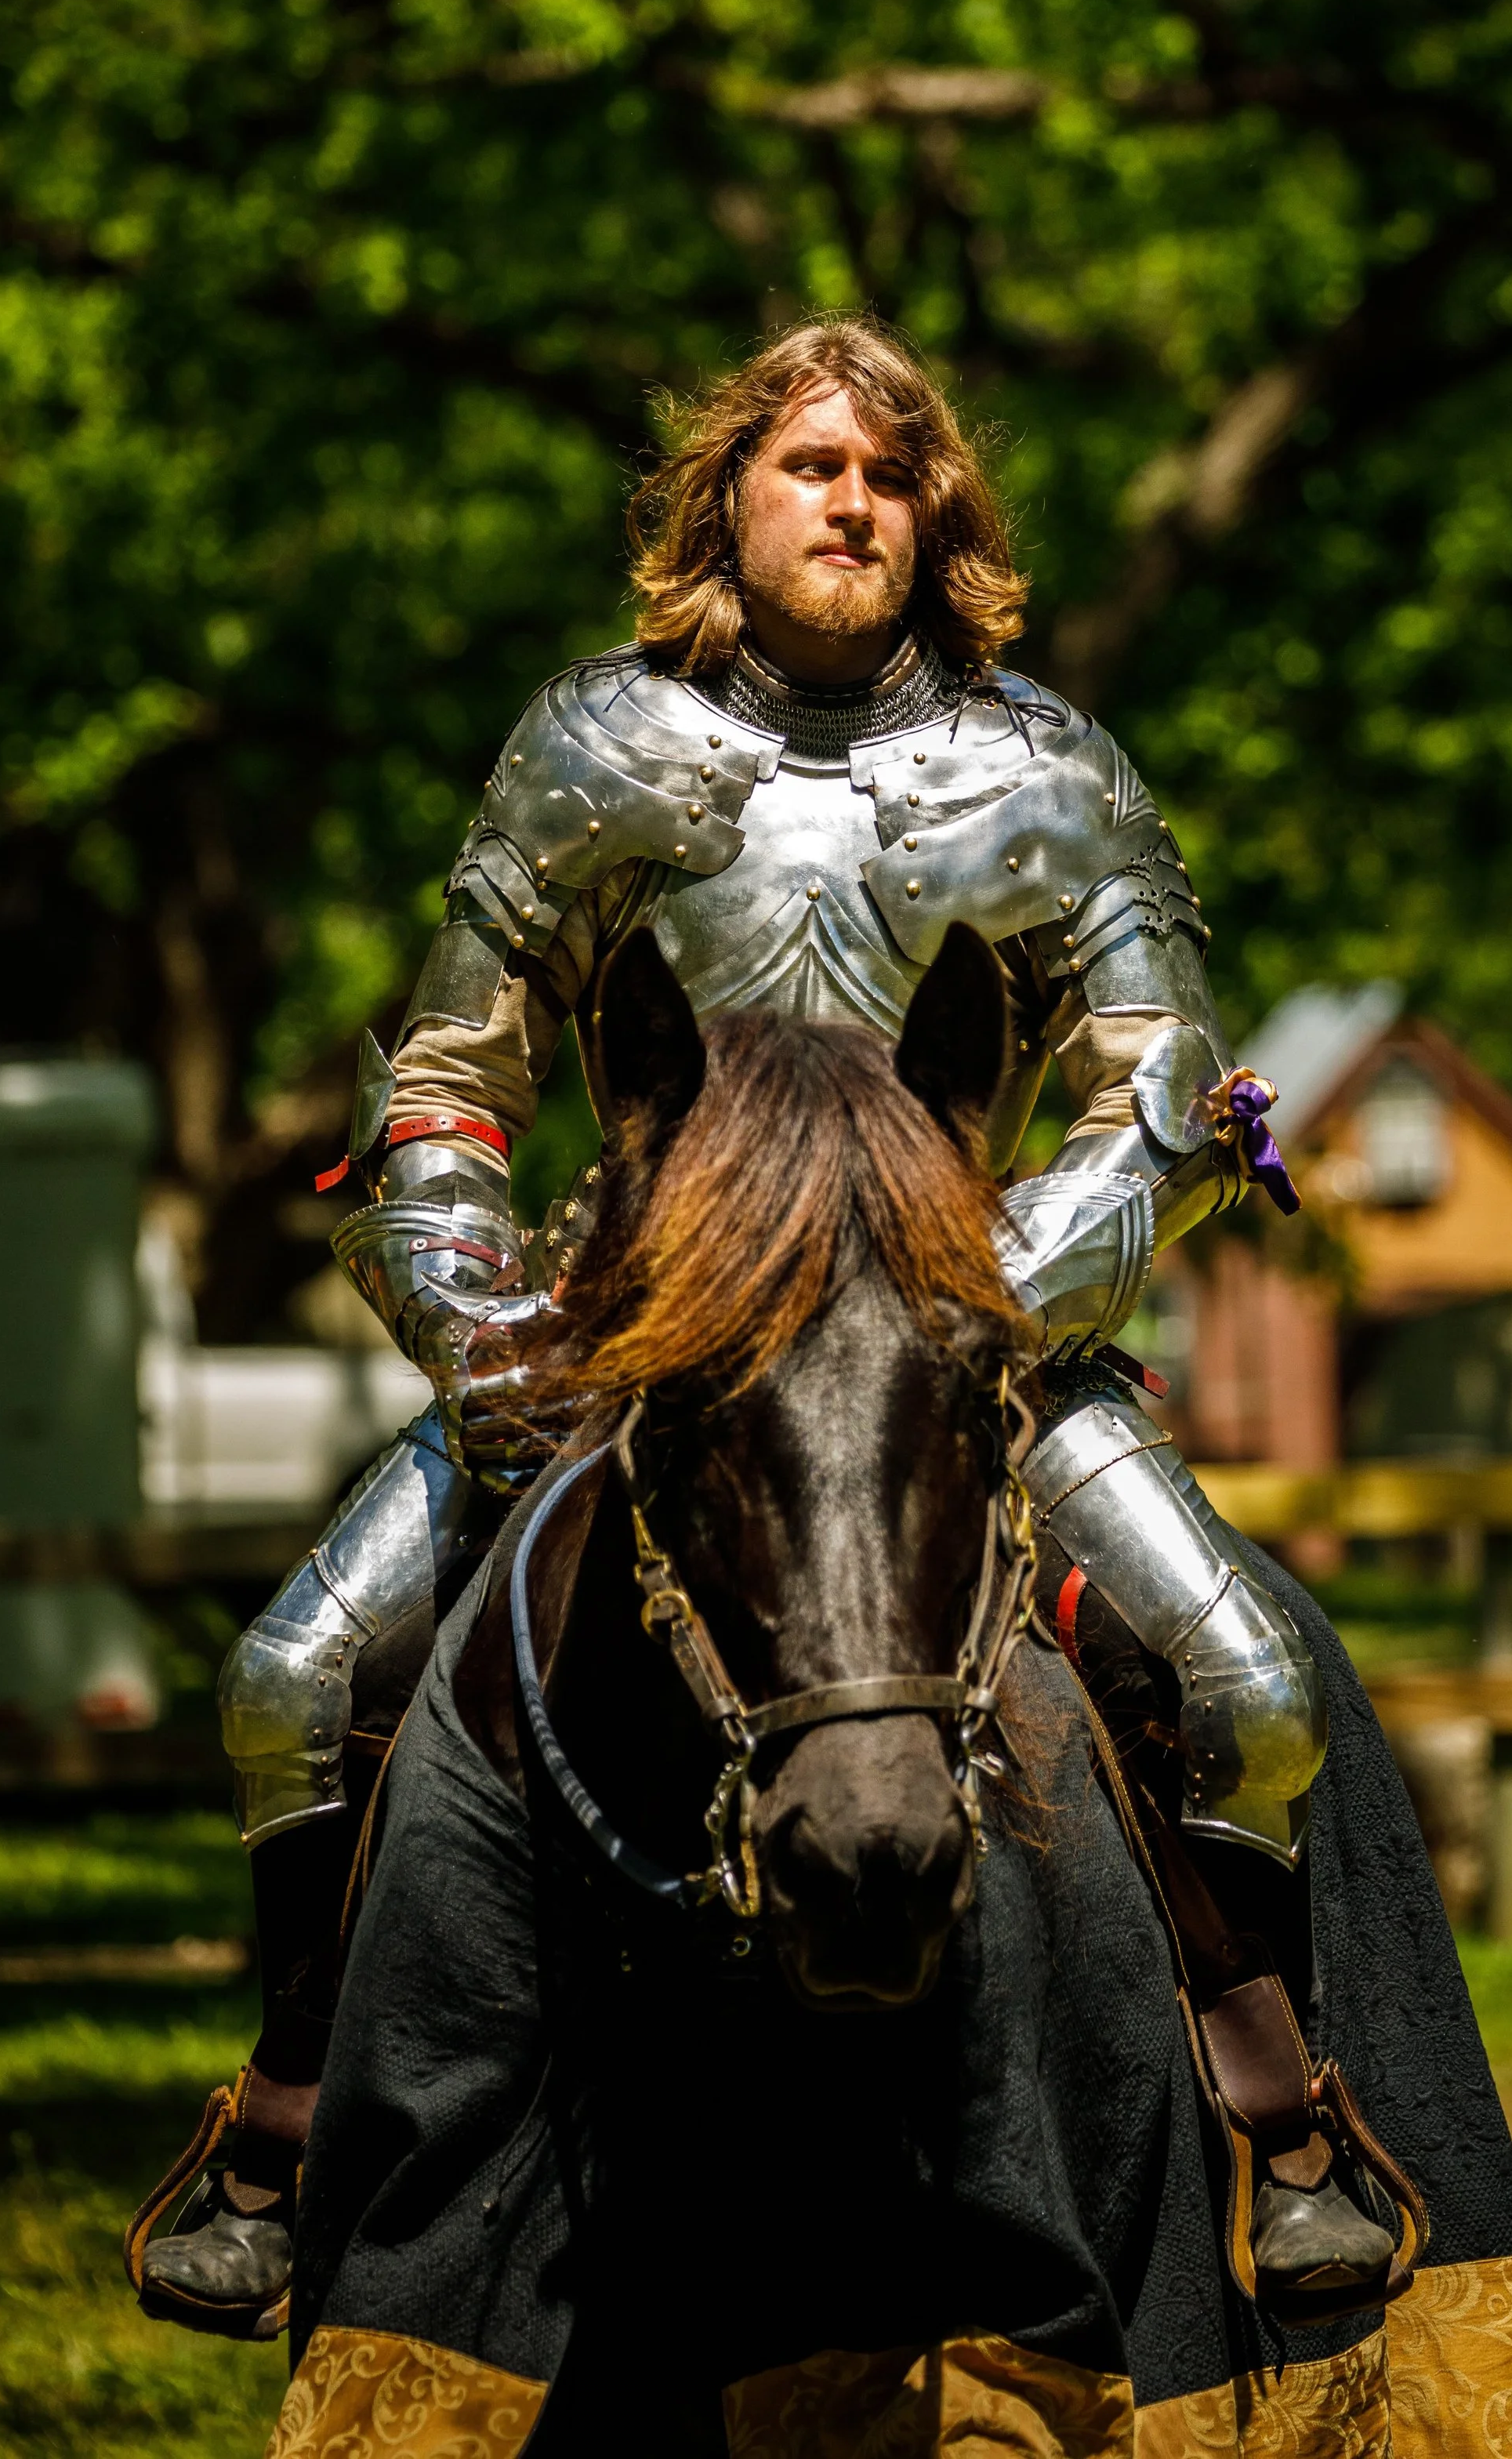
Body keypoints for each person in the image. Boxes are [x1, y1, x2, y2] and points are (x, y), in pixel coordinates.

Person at [137, 316, 1353, 2338]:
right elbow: (445, 1080)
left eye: (891, 478)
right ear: (729, 499)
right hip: (643, 1340)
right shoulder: (589, 747)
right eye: (812, 466)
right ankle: (286, 2127)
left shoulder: (1048, 767)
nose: (853, 505)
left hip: (952, 1349)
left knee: (1254, 1681)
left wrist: (969, 1295)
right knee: (290, 1676)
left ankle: (1276, 2121)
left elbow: (1162, 1091)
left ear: (936, 520)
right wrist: (483, 1323)